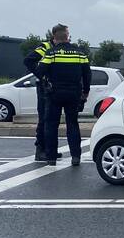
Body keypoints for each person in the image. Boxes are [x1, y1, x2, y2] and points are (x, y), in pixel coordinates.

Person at [35, 24, 90, 166]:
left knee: (51, 125)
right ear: (67, 37)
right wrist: (85, 92)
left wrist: (46, 80)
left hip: (54, 94)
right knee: (72, 124)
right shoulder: (80, 53)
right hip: (73, 93)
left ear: (55, 38)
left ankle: (51, 157)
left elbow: (40, 71)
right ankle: (76, 156)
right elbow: (87, 74)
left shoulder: (51, 53)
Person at [23, 30, 60, 161]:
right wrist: (41, 75)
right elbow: (28, 60)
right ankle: (40, 150)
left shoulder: (58, 48)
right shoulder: (45, 47)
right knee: (44, 118)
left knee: (52, 118)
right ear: (55, 38)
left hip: (53, 86)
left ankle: (50, 150)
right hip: (45, 86)